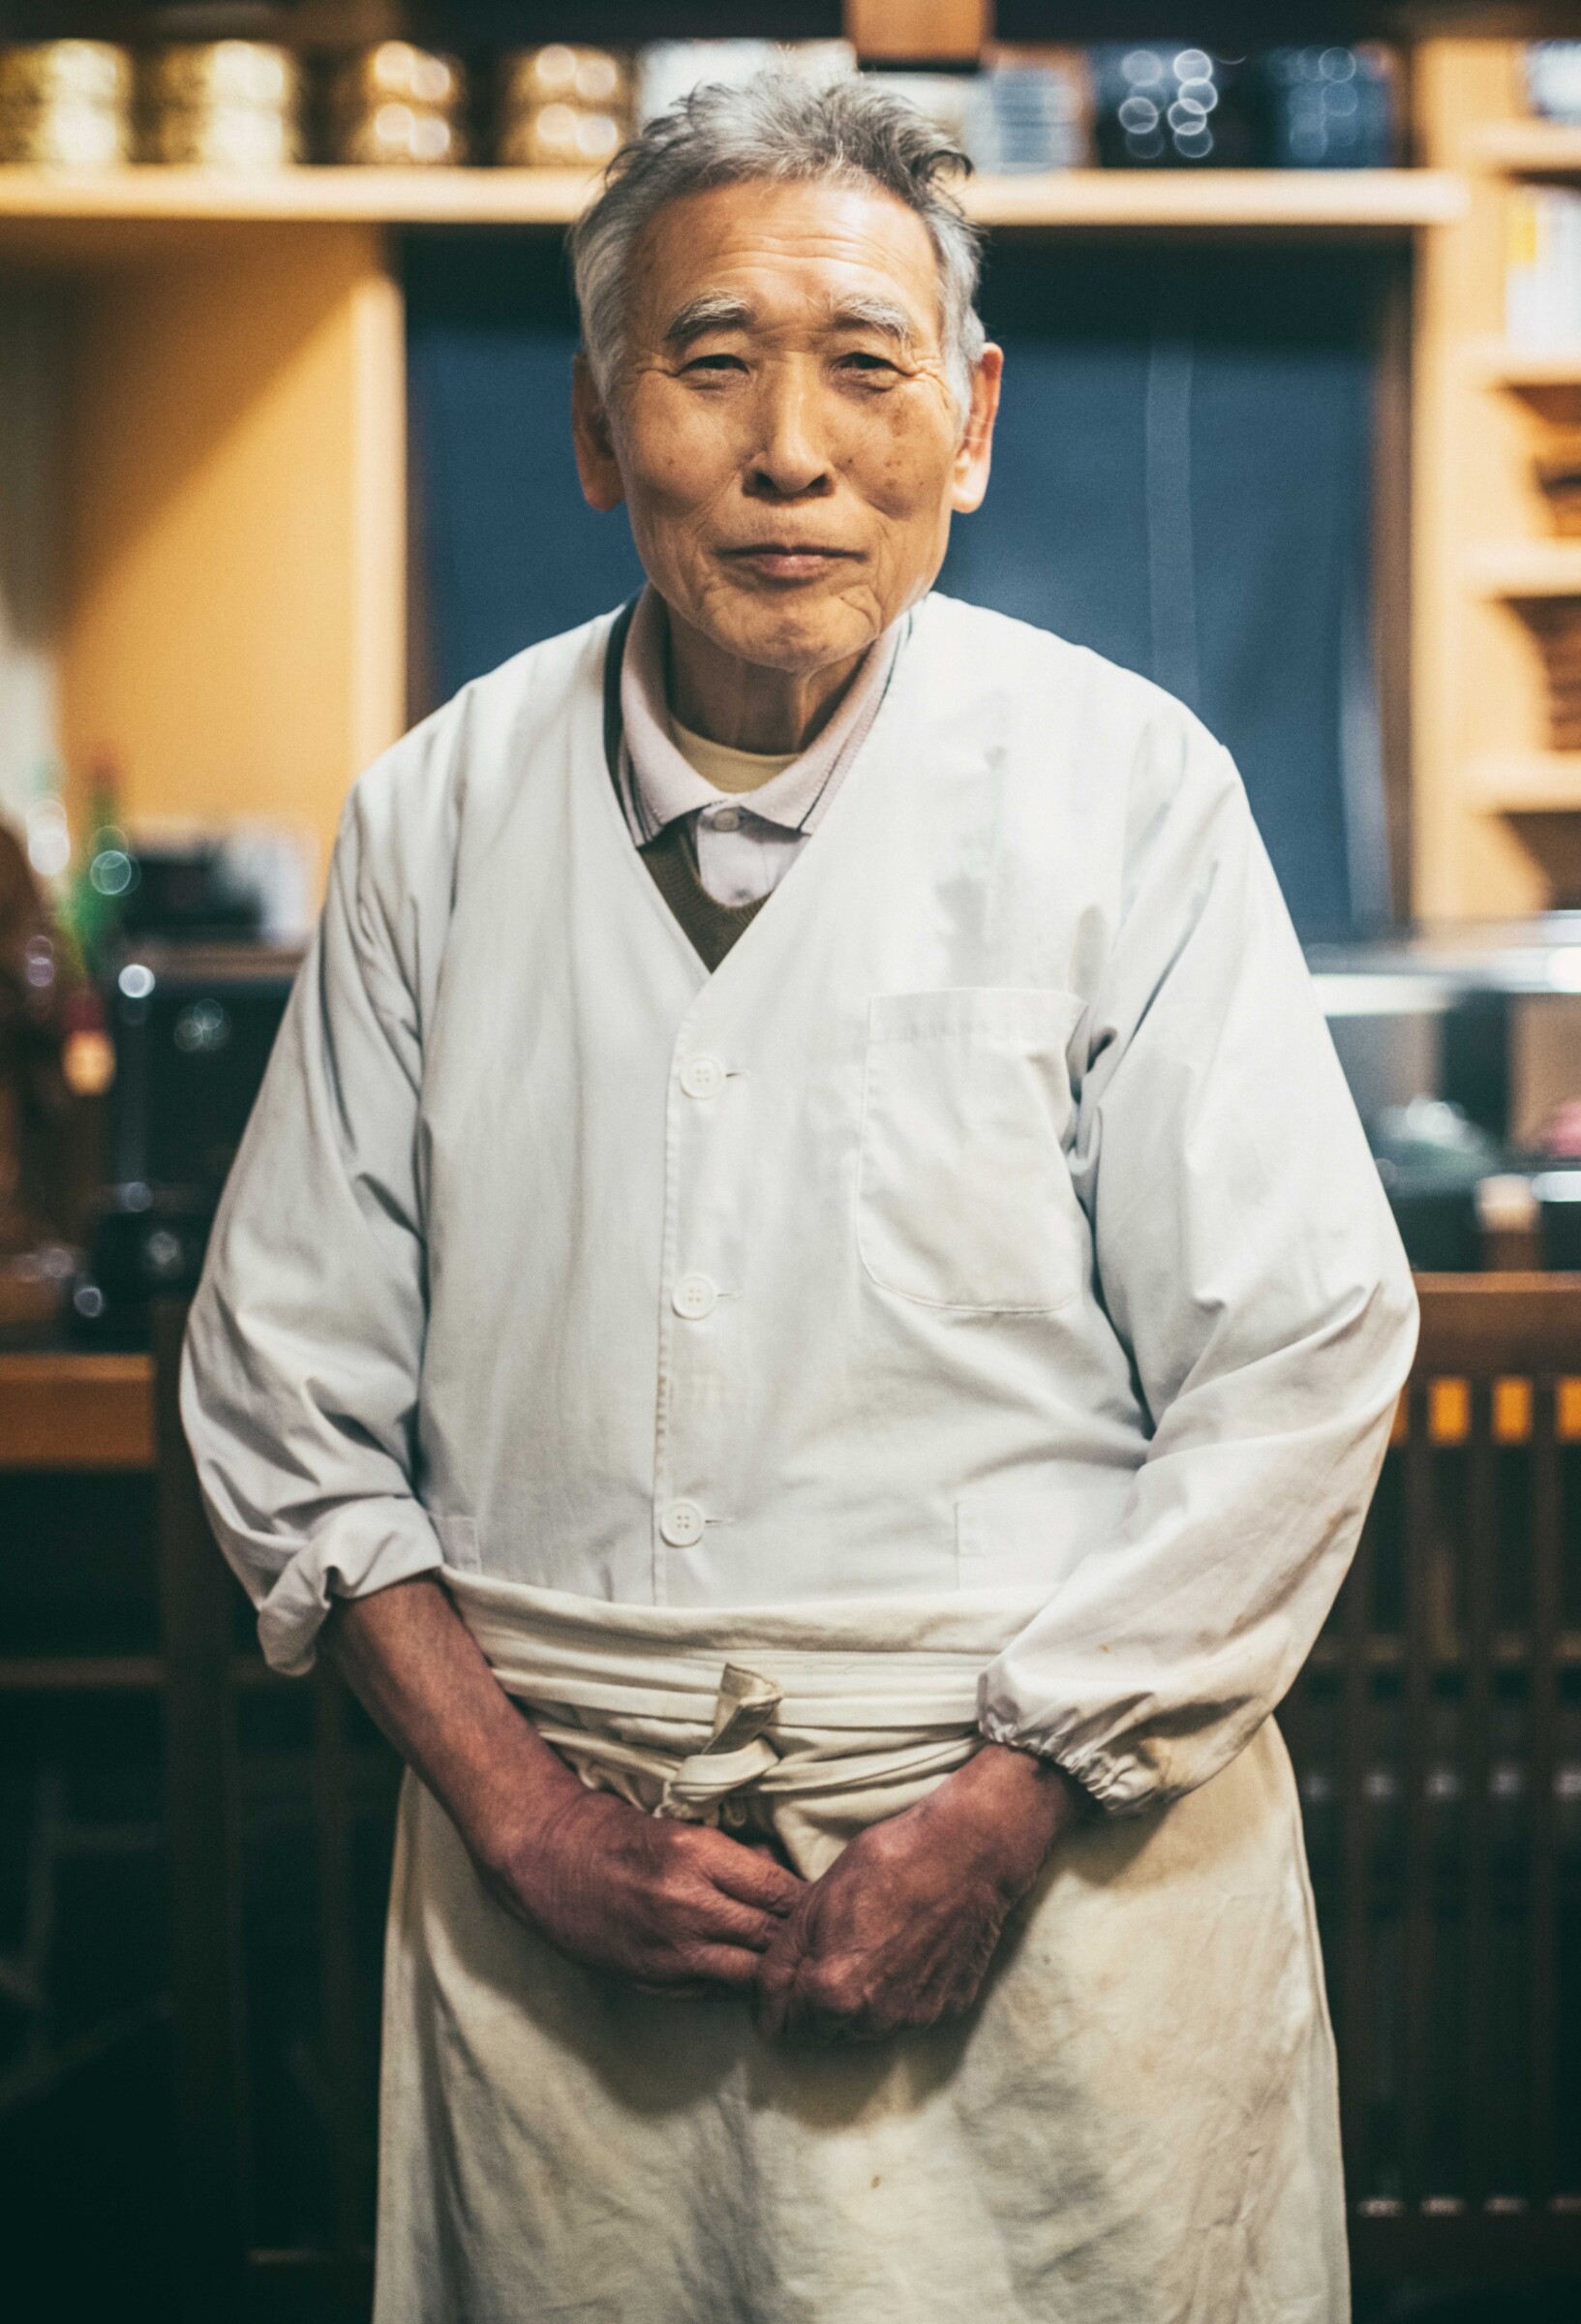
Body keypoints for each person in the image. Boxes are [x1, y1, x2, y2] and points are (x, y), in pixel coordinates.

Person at [183, 71, 1417, 2324]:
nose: (789, 452)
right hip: (562, 1914)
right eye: (709, 358)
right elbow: (283, 1398)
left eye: (866, 368)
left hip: (1053, 1894)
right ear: (588, 422)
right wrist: (530, 1823)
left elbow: (1300, 1361)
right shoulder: (435, 817)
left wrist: (1009, 1802)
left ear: (971, 419)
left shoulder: (1129, 793)